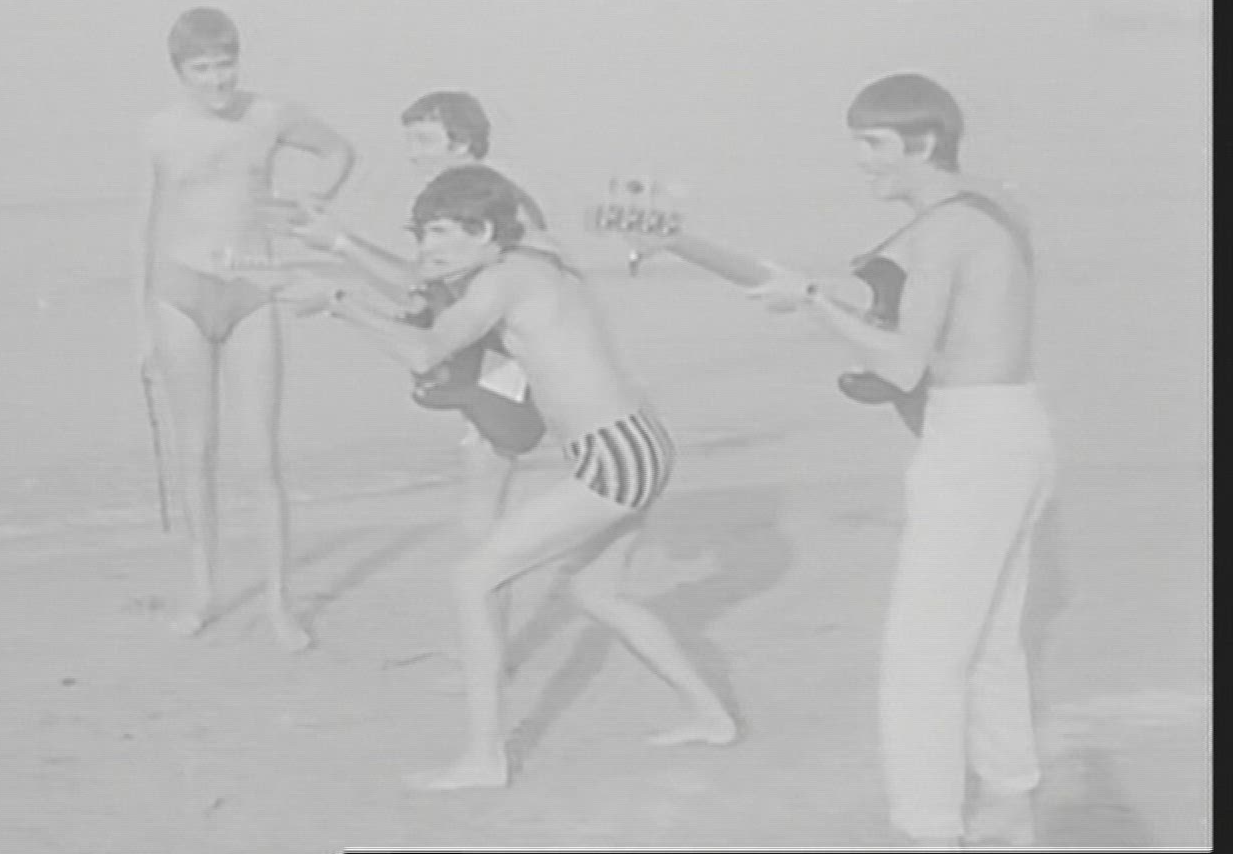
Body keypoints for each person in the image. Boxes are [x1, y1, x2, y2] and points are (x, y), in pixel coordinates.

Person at [310, 165, 736, 791]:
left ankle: (485, 759)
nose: (427, 249)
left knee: (473, 580)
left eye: (440, 233)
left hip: (613, 456)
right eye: (422, 234)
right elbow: (426, 288)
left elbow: (425, 351)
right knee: (597, 593)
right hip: (636, 442)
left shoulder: (504, 280)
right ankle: (710, 716)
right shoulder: (530, 256)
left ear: (484, 232)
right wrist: (340, 247)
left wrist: (339, 304)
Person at [743, 73, 1054, 848]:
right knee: (991, 638)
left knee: (922, 654)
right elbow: (943, 315)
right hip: (1020, 423)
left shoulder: (940, 231)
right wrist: (826, 293)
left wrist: (812, 304)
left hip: (971, 440)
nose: (861, 160)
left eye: (874, 142)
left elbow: (903, 364)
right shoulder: (990, 207)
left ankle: (929, 828)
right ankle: (1010, 803)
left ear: (924, 141)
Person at [289, 91, 559, 677]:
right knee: (483, 515)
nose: (411, 154)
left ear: (461, 144)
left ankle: (488, 653)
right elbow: (430, 290)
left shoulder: (487, 202)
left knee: (483, 520)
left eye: (423, 141)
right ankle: (488, 646)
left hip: (511, 373)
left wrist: (339, 253)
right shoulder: (488, 192)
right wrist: (338, 244)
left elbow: (426, 290)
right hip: (507, 368)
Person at [134, 7, 356, 645]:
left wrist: (311, 204)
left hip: (254, 289)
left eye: (224, 64)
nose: (216, 79)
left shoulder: (270, 116)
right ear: (180, 71)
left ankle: (281, 604)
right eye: (201, 68)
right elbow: (148, 224)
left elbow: (339, 151)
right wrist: (143, 326)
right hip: (178, 292)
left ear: (238, 60)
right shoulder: (159, 130)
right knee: (196, 453)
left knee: (261, 458)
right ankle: (203, 592)